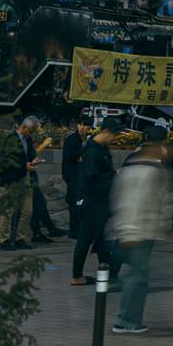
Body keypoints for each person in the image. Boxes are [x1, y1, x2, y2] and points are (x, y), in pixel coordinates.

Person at [108, 125, 173, 335]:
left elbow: (117, 198)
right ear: (160, 144)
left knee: (137, 275)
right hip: (137, 231)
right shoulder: (150, 170)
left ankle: (127, 320)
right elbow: (136, 203)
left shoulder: (131, 164)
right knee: (137, 276)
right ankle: (127, 321)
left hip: (132, 230)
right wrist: (130, 232)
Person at [70, 117, 122, 285]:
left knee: (102, 236)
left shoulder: (100, 148)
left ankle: (106, 272)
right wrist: (113, 175)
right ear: (106, 132)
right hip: (91, 201)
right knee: (87, 238)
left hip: (99, 201)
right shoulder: (93, 151)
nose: (114, 139)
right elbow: (91, 177)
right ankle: (78, 276)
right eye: (114, 135)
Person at [0, 116, 38, 250]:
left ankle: (20, 237)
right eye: (31, 131)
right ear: (25, 128)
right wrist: (24, 165)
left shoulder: (28, 140)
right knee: (8, 211)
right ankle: (3, 240)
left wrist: (34, 159)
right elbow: (8, 160)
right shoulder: (11, 139)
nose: (31, 134)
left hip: (24, 178)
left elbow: (30, 154)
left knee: (27, 210)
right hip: (12, 178)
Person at [61, 116, 88, 239]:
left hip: (78, 176)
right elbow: (70, 156)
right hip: (73, 176)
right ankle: (75, 231)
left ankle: (76, 230)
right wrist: (81, 156)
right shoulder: (73, 139)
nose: (82, 127)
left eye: (85, 125)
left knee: (77, 203)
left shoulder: (82, 139)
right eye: (80, 124)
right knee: (74, 202)